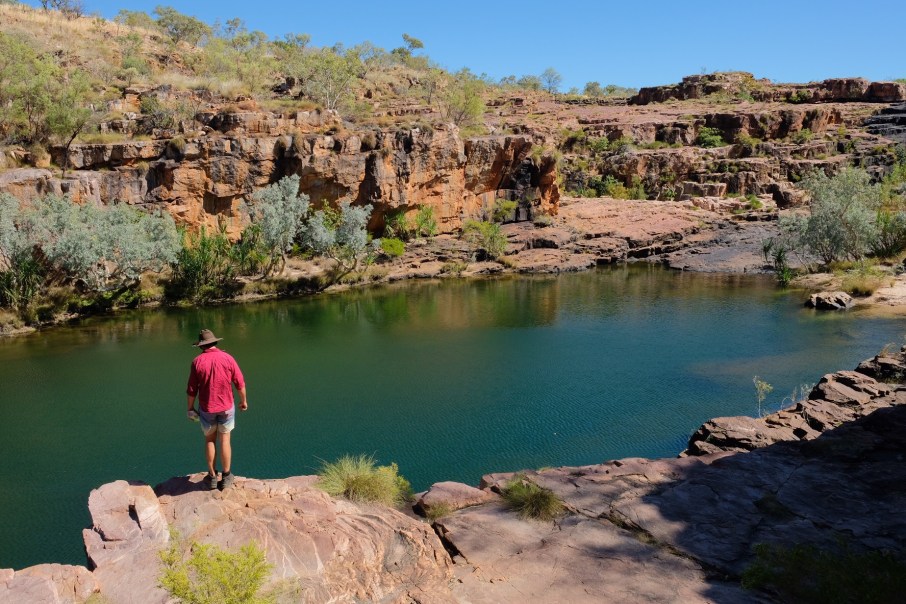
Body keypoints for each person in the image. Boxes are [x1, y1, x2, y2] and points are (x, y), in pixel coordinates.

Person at [186, 329, 248, 490]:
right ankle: (226, 476)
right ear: (215, 342)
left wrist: (190, 408)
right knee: (225, 440)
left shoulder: (197, 362)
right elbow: (240, 382)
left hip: (207, 408)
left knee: (210, 440)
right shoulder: (228, 358)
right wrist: (243, 401)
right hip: (226, 407)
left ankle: (212, 477)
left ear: (201, 346)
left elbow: (192, 389)